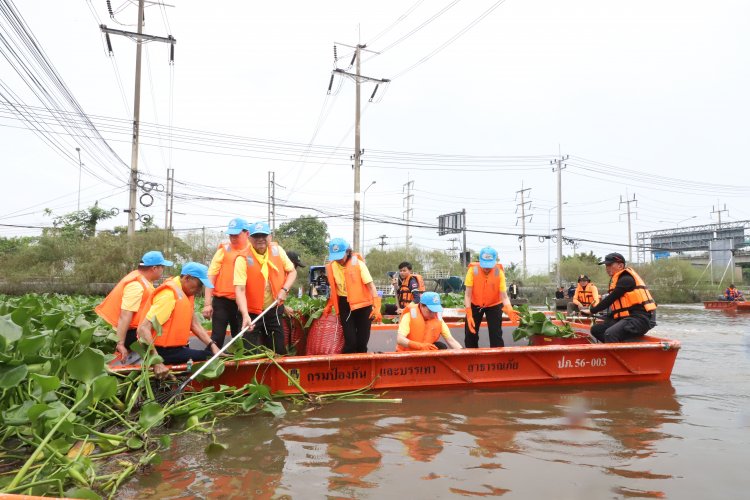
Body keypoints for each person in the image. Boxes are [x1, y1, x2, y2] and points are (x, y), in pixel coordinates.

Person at [136, 262, 222, 378]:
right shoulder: (168, 295)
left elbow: (195, 325)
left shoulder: (185, 293)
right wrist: (157, 362)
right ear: (187, 278)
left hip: (177, 349)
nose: (199, 289)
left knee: (212, 352)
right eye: (199, 284)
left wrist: (212, 345)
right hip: (160, 351)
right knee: (208, 356)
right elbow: (143, 329)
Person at [95, 250, 173, 359]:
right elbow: (125, 315)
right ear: (154, 268)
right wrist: (120, 344)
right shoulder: (136, 285)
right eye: (162, 267)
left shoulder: (144, 280)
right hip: (131, 333)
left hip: (139, 329)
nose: (163, 271)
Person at [235, 221, 297, 355]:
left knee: (278, 350)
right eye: (256, 236)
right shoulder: (242, 258)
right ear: (249, 238)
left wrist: (284, 290)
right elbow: (239, 289)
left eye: (264, 235)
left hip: (273, 309)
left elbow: (292, 272)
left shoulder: (277, 251)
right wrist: (245, 315)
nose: (260, 239)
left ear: (270, 237)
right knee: (250, 353)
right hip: (251, 313)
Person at [581, 252, 657, 343]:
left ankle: (616, 354)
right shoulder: (616, 280)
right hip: (625, 318)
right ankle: (617, 347)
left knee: (610, 333)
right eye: (606, 266)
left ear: (620, 266)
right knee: (596, 329)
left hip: (638, 319)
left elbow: (610, 299)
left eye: (609, 265)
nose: (607, 268)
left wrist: (592, 310)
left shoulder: (626, 279)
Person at [323, 238, 382, 353]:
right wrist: (329, 305)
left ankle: (362, 369)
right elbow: (335, 288)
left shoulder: (359, 264)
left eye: (341, 256)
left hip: (363, 306)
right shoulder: (332, 267)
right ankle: (346, 369)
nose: (338, 260)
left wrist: (377, 306)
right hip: (345, 305)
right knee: (350, 343)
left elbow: (371, 286)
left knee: (362, 343)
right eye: (335, 257)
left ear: (348, 252)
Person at [203, 218, 250, 349]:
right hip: (222, 301)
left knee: (240, 338)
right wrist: (207, 304)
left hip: (243, 303)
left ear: (247, 234)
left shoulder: (253, 251)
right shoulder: (223, 250)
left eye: (236, 234)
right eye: (231, 235)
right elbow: (211, 276)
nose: (233, 238)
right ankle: (210, 362)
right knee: (217, 337)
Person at [463, 247, 520, 348]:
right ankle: (471, 357)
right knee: (470, 333)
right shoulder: (473, 270)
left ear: (494, 262)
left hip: (494, 304)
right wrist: (468, 312)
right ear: (480, 261)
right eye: (484, 264)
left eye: (489, 265)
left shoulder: (499, 272)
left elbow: (504, 296)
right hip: (475, 304)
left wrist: (510, 309)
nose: (487, 268)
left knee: (496, 334)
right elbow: (467, 295)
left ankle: (497, 358)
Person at [396, 292, 462, 351]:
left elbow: (451, 340)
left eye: (435, 311)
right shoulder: (409, 316)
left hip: (425, 356)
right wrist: (420, 346)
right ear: (421, 306)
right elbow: (400, 339)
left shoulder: (438, 319)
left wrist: (463, 353)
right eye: (430, 311)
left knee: (441, 346)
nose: (433, 314)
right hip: (406, 357)